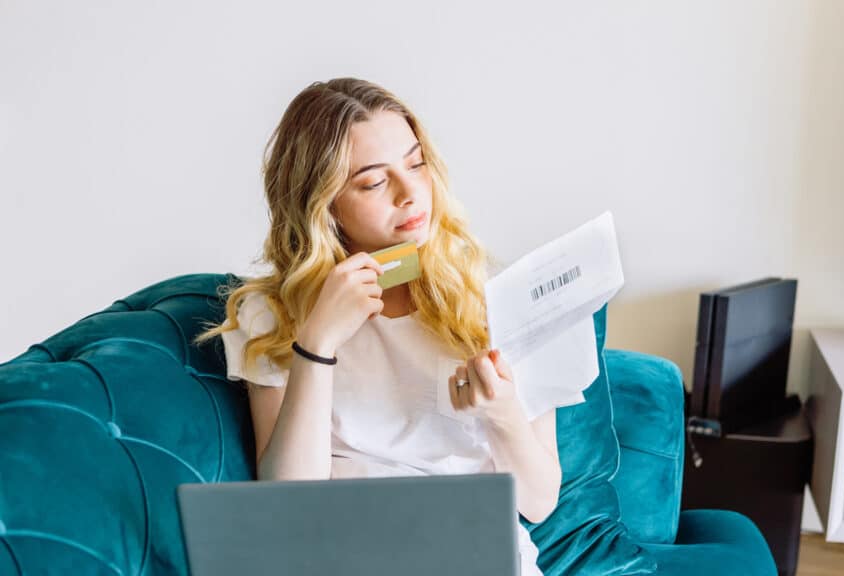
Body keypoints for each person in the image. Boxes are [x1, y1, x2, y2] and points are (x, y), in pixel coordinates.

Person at [193, 77, 587, 575]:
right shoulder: (271, 314)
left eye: (416, 163)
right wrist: (317, 343)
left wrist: (503, 413)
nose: (410, 194)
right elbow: (290, 499)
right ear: (322, 205)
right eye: (374, 182)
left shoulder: (496, 298)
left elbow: (538, 502)